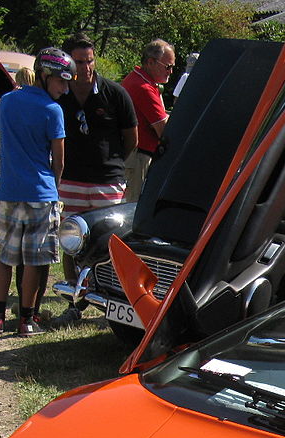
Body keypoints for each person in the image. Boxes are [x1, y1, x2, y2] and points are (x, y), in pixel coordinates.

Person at [0, 46, 69, 337]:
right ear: (44, 76)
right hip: (41, 193)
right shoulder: (53, 110)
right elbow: (60, 158)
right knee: (34, 259)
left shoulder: (7, 100)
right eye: (61, 81)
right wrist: (54, 188)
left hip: (9, 189)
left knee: (6, 255)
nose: (65, 88)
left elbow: (0, 138)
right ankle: (27, 320)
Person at [51, 32, 136, 326]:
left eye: (89, 61)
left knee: (111, 242)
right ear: (68, 64)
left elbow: (131, 138)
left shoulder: (114, 93)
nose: (85, 68)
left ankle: (112, 302)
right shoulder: (60, 95)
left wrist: (112, 165)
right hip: (72, 177)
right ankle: (73, 302)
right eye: (78, 62)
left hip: (107, 179)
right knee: (71, 241)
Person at [120, 39, 174, 202]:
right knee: (133, 208)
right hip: (138, 158)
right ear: (150, 62)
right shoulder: (144, 87)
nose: (170, 72)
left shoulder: (136, 79)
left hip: (134, 155)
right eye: (168, 66)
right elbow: (164, 130)